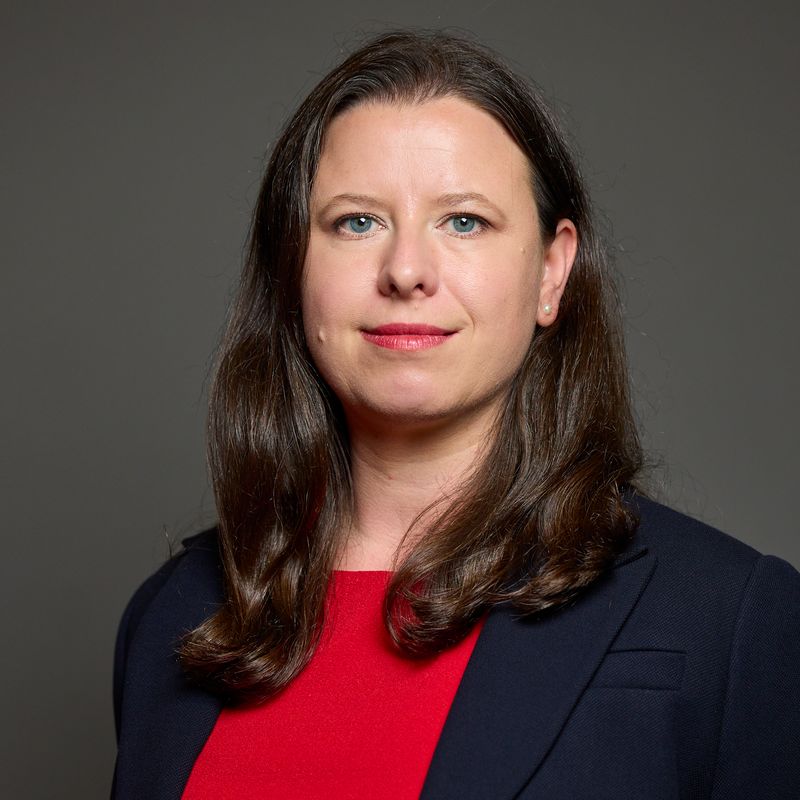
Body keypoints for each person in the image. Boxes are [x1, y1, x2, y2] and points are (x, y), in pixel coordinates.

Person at [111, 30, 800, 799]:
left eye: (464, 221)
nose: (406, 271)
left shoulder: (728, 617)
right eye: (357, 222)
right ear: (291, 270)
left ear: (551, 272)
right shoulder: (170, 614)